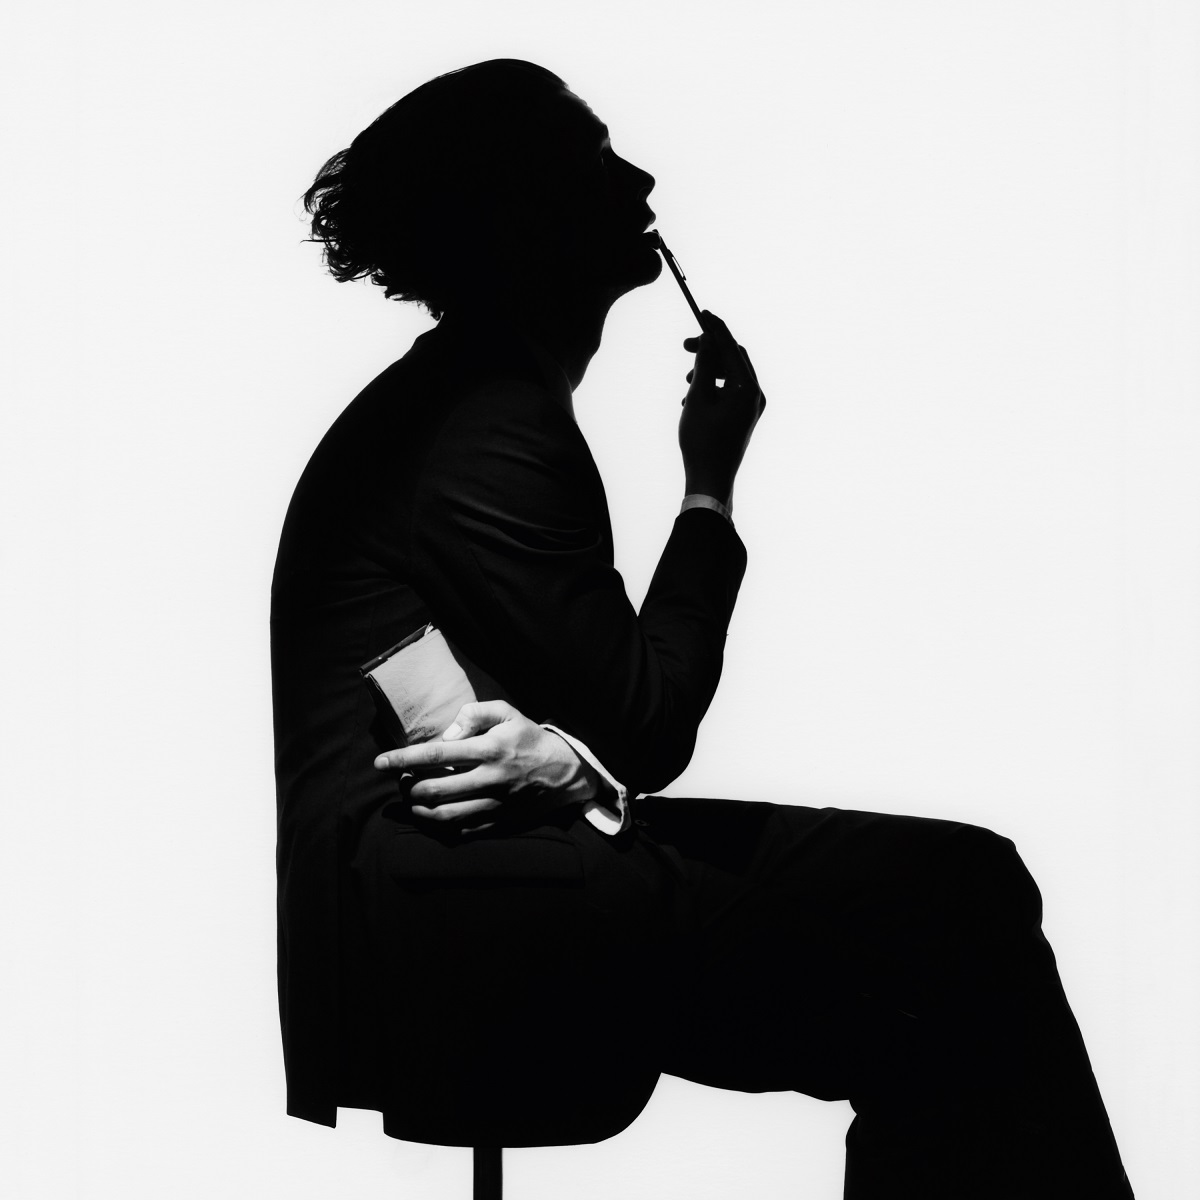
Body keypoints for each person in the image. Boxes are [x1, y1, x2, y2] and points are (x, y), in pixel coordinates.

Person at [272, 59, 1134, 1197]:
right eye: (594, 160)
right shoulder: (488, 424)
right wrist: (709, 489)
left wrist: (567, 755)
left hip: (491, 863)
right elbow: (647, 724)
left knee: (964, 889)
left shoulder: (476, 398)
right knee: (951, 945)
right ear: (522, 213)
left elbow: (587, 722)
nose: (640, 179)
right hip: (461, 911)